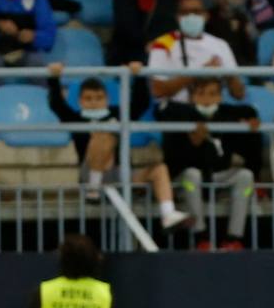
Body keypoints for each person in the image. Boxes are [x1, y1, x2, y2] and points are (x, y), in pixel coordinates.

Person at [46, 62, 190, 228]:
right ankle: (93, 190)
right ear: (80, 101)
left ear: (107, 99)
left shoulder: (117, 113)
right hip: (89, 174)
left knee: (160, 169)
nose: (94, 103)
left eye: (99, 98)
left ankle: (168, 213)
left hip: (121, 175)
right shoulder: (75, 118)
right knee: (105, 134)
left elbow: (140, 104)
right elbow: (56, 105)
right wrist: (54, 79)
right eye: (88, 99)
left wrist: (138, 76)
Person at [158, 76, 260, 250]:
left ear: (220, 97)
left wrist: (252, 120)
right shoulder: (181, 114)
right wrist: (192, 145)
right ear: (191, 97)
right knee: (192, 174)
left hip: (218, 176)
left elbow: (249, 111)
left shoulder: (227, 113)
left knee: (245, 175)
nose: (207, 100)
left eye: (212, 94)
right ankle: (200, 237)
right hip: (188, 180)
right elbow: (162, 114)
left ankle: (233, 238)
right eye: (201, 94)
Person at [147, 0, 246, 104]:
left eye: (196, 12)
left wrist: (225, 73)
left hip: (212, 108)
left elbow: (239, 94)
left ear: (206, 16)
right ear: (177, 17)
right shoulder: (163, 43)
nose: (191, 16)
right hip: (177, 108)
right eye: (185, 13)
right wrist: (200, 73)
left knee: (249, 113)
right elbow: (158, 91)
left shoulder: (220, 44)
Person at [206, 0, 258, 65]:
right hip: (216, 63)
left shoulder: (242, 19)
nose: (228, 0)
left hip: (241, 64)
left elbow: (249, 50)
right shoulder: (208, 17)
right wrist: (228, 27)